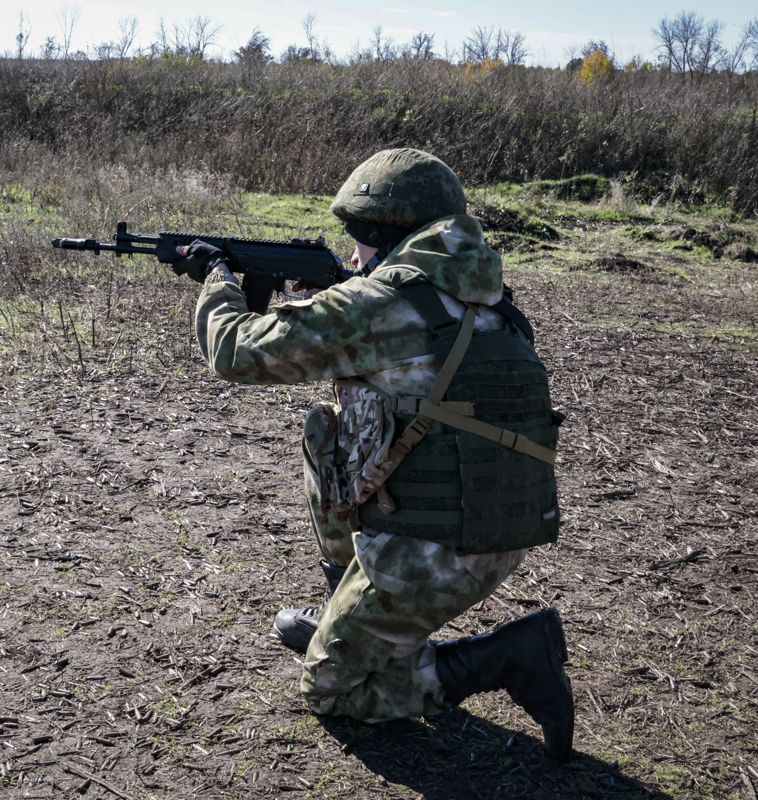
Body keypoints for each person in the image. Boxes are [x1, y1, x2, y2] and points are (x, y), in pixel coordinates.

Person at [174, 148, 574, 761]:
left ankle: (505, 657)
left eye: (359, 239)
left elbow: (236, 351)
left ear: (382, 234)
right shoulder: (482, 294)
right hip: (496, 527)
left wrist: (217, 278)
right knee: (330, 427)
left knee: (332, 690)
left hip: (431, 550)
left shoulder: (382, 302)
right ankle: (353, 615)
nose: (353, 254)